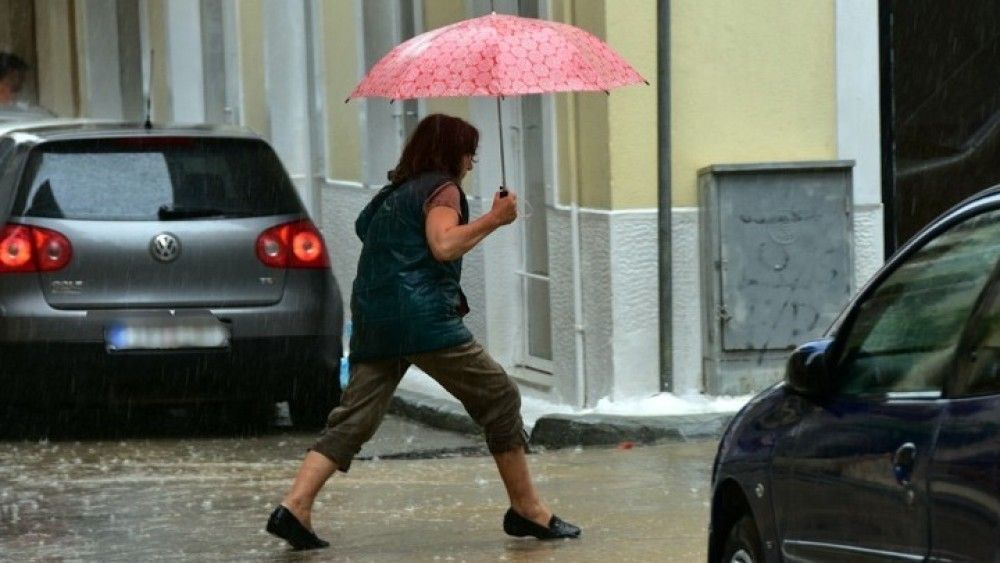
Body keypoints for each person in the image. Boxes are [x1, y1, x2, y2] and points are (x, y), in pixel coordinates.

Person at [266, 113, 580, 551]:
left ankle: (294, 506)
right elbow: (444, 244)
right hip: (423, 320)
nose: (471, 162)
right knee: (501, 396)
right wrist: (495, 218)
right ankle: (527, 508)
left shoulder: (394, 194)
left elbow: (366, 230)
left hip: (377, 320)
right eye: (469, 152)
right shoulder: (442, 189)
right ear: (452, 152)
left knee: (354, 418)